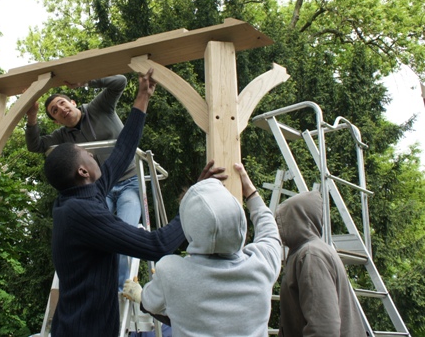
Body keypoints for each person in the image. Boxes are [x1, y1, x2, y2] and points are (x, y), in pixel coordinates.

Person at [45, 69, 228, 337]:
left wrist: (143, 96)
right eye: (86, 153)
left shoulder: (81, 197)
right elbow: (157, 245)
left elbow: (122, 151)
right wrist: (195, 198)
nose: (93, 154)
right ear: (83, 171)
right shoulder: (83, 213)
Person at [122, 163, 282, 337]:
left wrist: (139, 294)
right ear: (239, 218)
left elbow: (149, 302)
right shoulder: (262, 264)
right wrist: (251, 193)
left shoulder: (171, 272)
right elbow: (270, 231)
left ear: (189, 227)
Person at [25, 74, 141, 290]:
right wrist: (32, 118)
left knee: (125, 234)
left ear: (73, 102)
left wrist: (85, 81)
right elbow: (36, 146)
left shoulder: (98, 107)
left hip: (130, 181)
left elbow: (120, 81)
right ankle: (97, 285)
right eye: (55, 111)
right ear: (56, 121)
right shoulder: (62, 136)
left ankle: (118, 290)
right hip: (100, 189)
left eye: (62, 103)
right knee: (95, 233)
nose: (61, 109)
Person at [274, 190, 367, 336]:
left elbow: (323, 328)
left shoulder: (311, 255)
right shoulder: (306, 252)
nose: (278, 226)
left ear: (297, 219)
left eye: (282, 220)